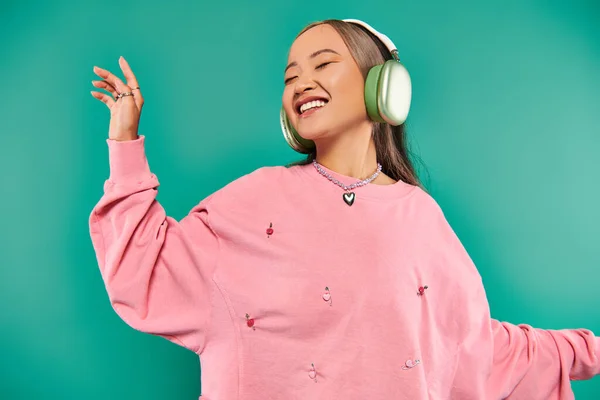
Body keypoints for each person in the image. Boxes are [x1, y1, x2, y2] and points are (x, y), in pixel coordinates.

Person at [88, 18, 599, 400]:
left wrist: (587, 350)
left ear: (383, 86)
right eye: (290, 76)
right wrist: (124, 140)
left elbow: (472, 347)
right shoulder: (253, 199)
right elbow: (145, 270)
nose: (301, 83)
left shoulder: (420, 217)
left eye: (324, 64)